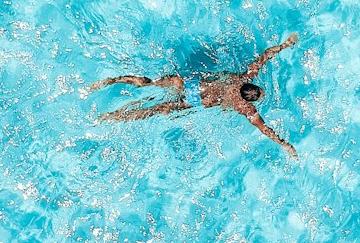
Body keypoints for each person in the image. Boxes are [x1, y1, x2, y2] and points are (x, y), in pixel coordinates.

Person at [87, 34, 300, 158]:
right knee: (154, 110)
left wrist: (285, 44)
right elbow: (265, 129)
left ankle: (110, 81)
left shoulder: (242, 77)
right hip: (194, 101)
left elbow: (265, 56)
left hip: (190, 84)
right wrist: (285, 145)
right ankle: (115, 117)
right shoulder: (245, 108)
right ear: (249, 99)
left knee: (149, 82)